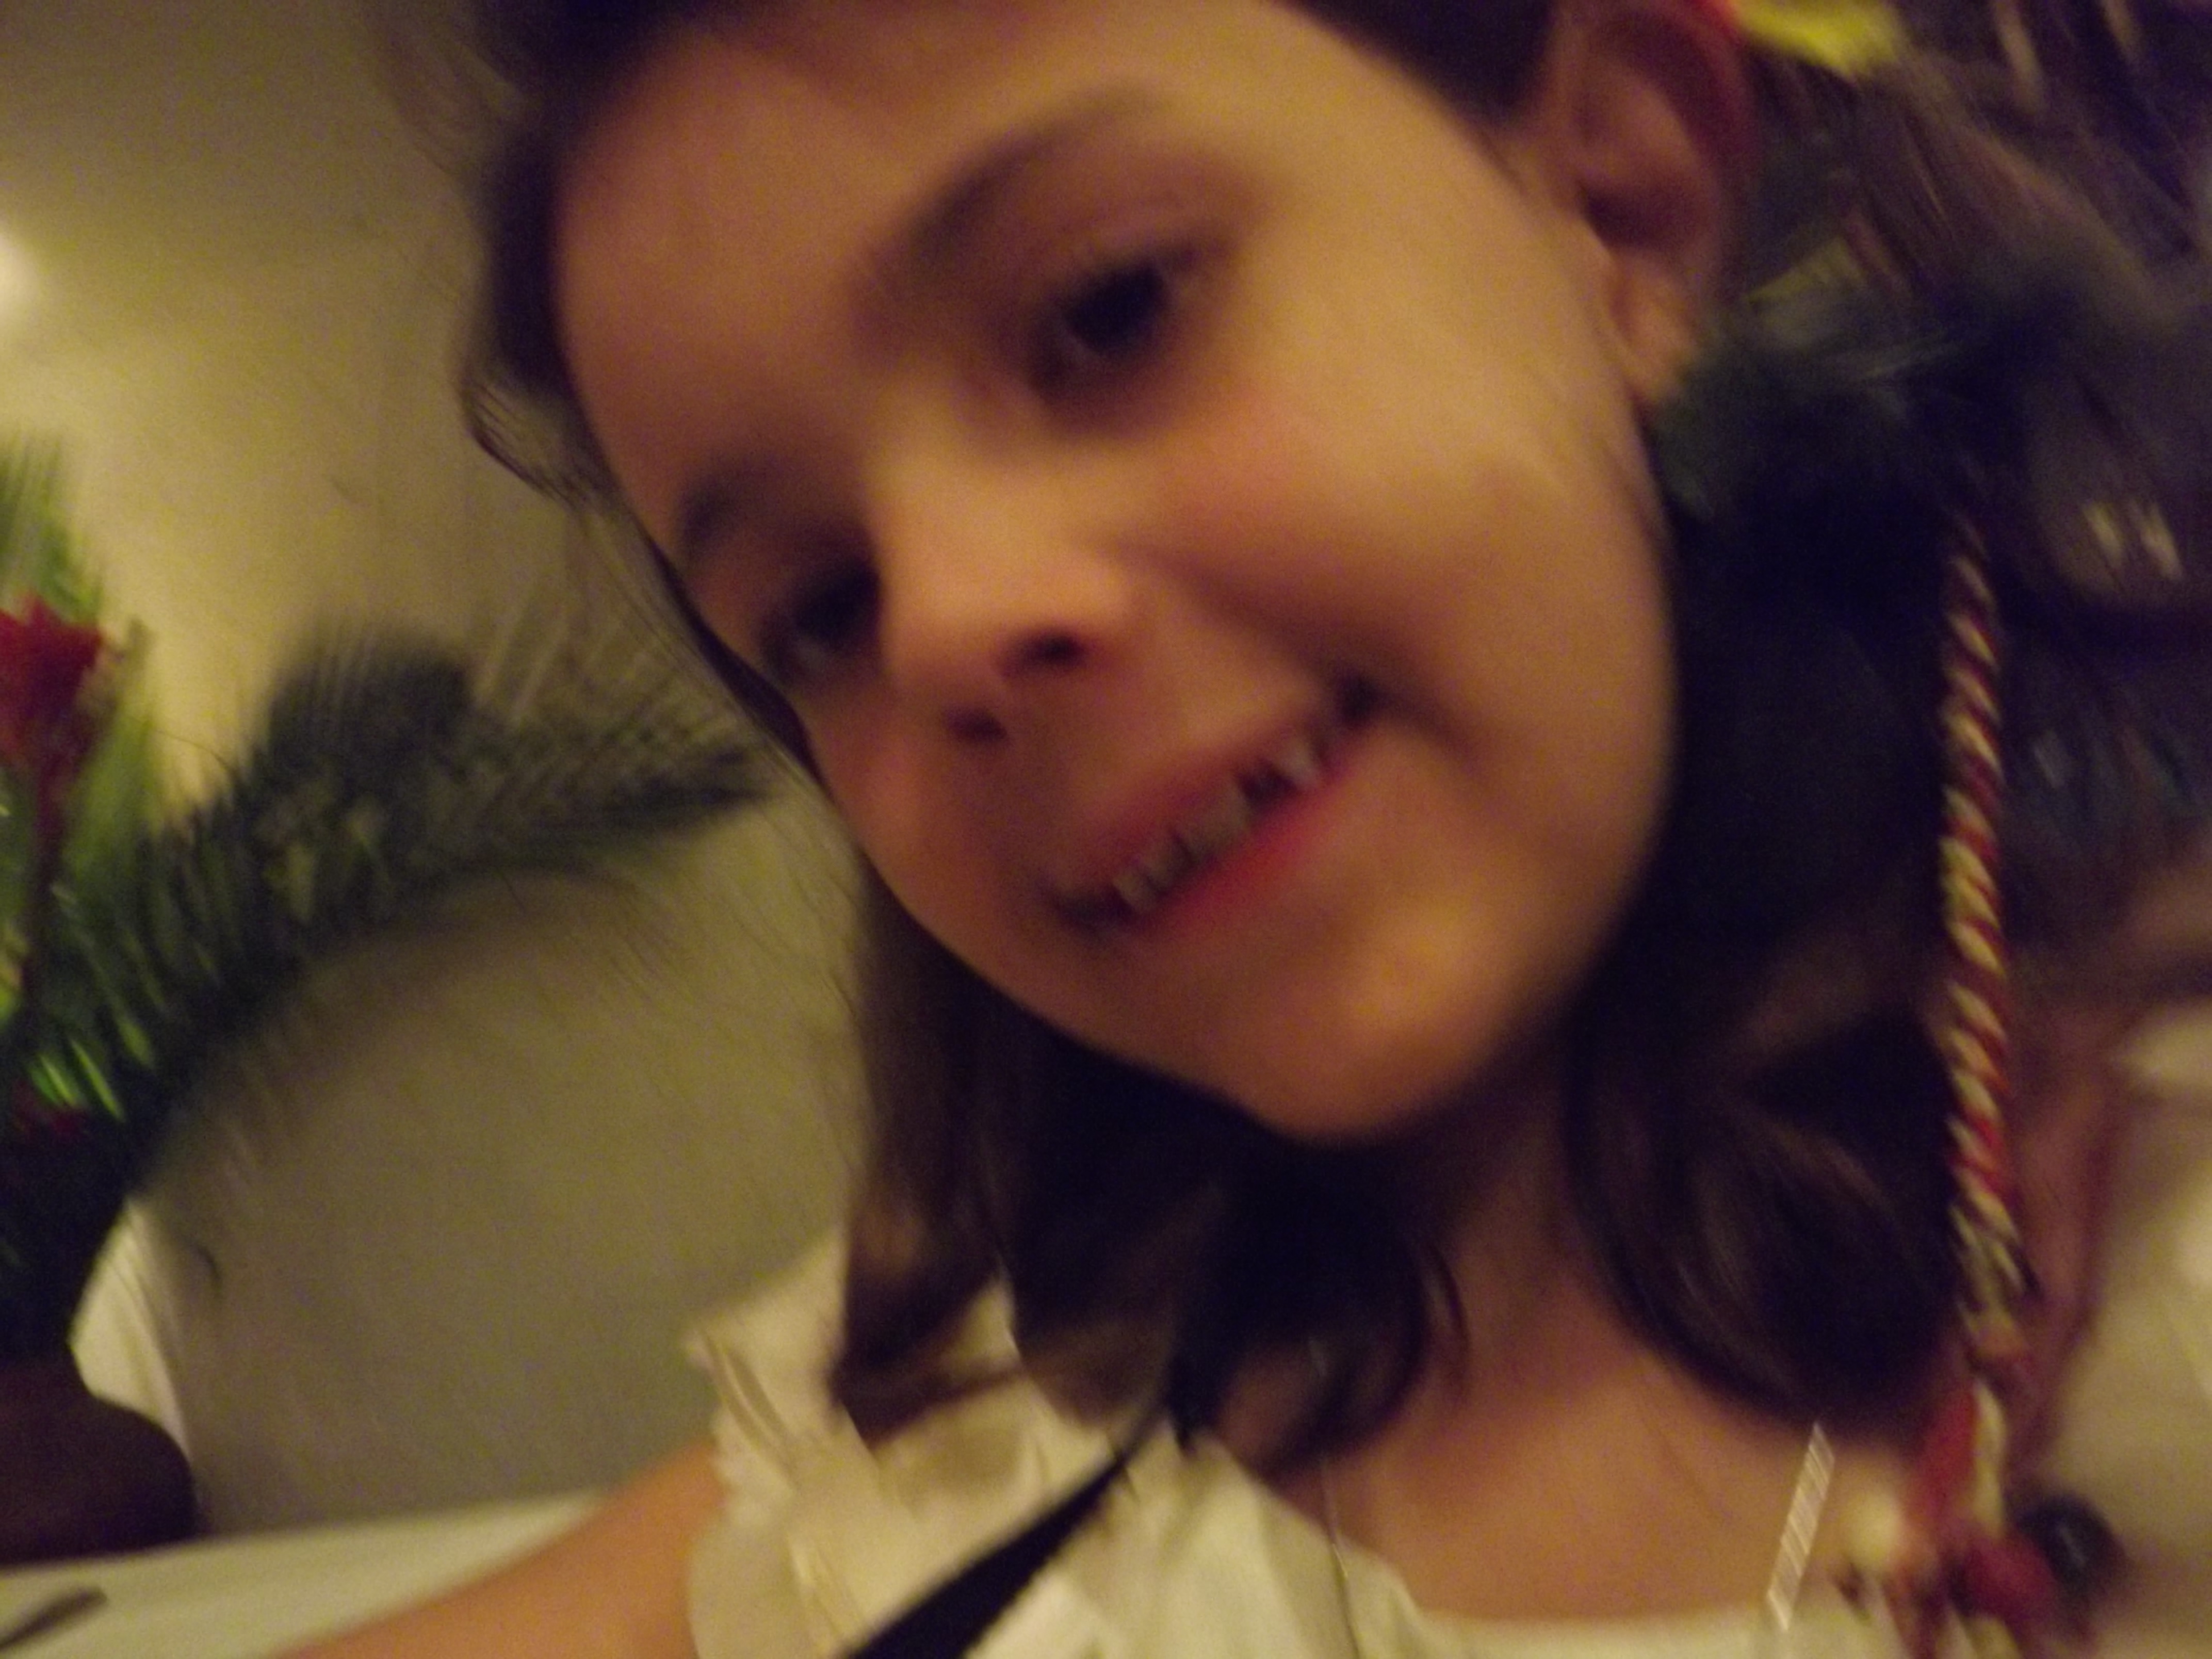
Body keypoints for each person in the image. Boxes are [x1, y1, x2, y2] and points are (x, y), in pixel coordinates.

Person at [302, 0, 2212, 1652]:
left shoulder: (2158, 1211)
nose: (947, 622)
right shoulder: (1006, 1377)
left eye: (1110, 311)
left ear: (1618, 200)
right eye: (820, 607)